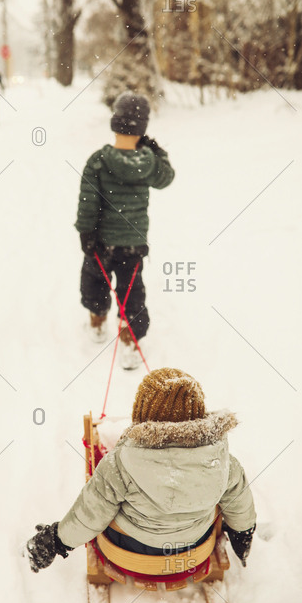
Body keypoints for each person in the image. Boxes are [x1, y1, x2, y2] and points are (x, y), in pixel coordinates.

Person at [26, 368, 256, 573]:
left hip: (131, 550)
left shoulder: (118, 463)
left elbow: (90, 515)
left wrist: (56, 539)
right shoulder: (225, 462)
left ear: (142, 412)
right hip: (193, 549)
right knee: (221, 498)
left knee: (107, 503)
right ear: (199, 413)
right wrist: (242, 536)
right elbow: (241, 507)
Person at [75, 90, 175, 369]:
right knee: (132, 291)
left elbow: (88, 200)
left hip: (103, 241)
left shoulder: (98, 160)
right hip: (133, 242)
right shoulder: (149, 163)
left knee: (95, 280)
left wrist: (86, 232)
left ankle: (97, 321)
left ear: (114, 122)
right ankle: (130, 341)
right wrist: (157, 151)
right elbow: (167, 178)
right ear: (142, 129)